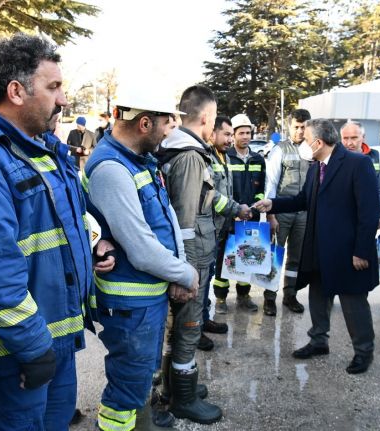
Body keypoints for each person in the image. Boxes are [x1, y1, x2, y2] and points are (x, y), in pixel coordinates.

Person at [0, 34, 114, 431]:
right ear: (16, 92)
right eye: (54, 87)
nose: (63, 99)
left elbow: (61, 220)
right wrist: (34, 350)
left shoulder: (41, 148)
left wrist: (95, 243)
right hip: (20, 353)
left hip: (56, 340)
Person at [83, 87, 200, 430]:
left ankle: (143, 421)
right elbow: (141, 247)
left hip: (145, 300)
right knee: (126, 391)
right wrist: (185, 274)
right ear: (145, 123)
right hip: (130, 305)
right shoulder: (111, 168)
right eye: (167, 123)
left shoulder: (138, 160)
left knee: (140, 379)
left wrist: (177, 270)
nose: (170, 131)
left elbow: (166, 221)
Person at [253, 118, 379, 374]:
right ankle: (318, 340)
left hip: (348, 251)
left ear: (319, 142)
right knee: (318, 296)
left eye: (307, 139)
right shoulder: (316, 167)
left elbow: (369, 212)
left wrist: (362, 251)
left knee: (353, 303)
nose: (303, 142)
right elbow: (303, 199)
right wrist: (273, 204)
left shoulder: (357, 164)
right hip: (319, 248)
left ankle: (363, 352)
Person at [156, 85, 224, 424]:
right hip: (192, 255)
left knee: (181, 326)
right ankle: (182, 398)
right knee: (189, 326)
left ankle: (176, 387)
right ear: (207, 117)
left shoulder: (180, 148)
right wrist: (184, 271)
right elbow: (184, 220)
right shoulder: (189, 156)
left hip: (191, 253)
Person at [199, 116, 250, 350]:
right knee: (201, 282)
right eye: (227, 134)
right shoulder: (206, 157)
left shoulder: (224, 157)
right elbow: (211, 196)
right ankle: (194, 330)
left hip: (219, 228)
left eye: (231, 135)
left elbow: (226, 192)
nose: (230, 139)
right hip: (206, 228)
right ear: (213, 133)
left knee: (208, 276)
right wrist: (236, 209)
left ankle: (203, 319)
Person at [214, 113, 265, 313]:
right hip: (229, 217)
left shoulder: (258, 159)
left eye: (248, 133)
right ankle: (220, 298)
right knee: (224, 258)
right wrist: (234, 211)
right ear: (233, 135)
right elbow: (223, 189)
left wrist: (254, 209)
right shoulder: (226, 157)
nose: (245, 136)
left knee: (248, 257)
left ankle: (243, 295)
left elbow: (260, 188)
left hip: (250, 217)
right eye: (241, 133)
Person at [263, 109, 312, 316]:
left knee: (296, 258)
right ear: (289, 127)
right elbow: (271, 183)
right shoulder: (279, 150)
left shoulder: (313, 150)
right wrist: (271, 215)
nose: (300, 131)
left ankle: (290, 295)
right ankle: (269, 297)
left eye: (303, 127)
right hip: (282, 212)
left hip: (304, 213)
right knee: (275, 255)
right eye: (296, 127)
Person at [340, 120, 380, 230]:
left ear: (363, 137)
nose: (349, 143)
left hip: (368, 218)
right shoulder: (334, 158)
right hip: (340, 219)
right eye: (345, 138)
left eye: (354, 138)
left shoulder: (376, 157)